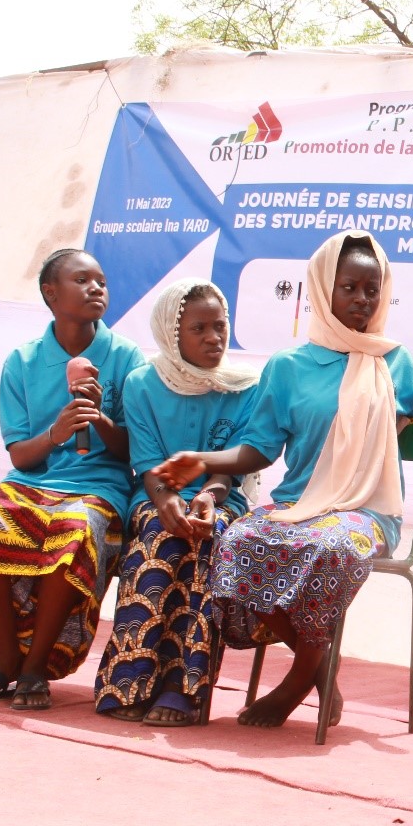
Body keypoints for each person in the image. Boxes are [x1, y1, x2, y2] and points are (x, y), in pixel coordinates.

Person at [153, 230, 413, 728]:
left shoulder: (393, 360)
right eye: (349, 287)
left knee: (334, 547)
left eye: (372, 290)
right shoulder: (287, 367)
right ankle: (322, 674)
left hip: (366, 511)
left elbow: (409, 422)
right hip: (297, 505)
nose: (362, 300)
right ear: (323, 289)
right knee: (237, 541)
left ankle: (295, 683)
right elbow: (258, 450)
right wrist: (203, 460)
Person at [0, 248, 144, 712]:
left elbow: (134, 450)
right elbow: (21, 456)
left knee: (74, 532)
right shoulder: (22, 361)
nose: (96, 289)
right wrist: (56, 432)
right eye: (82, 280)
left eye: (101, 281)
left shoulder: (126, 356)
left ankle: (36, 667)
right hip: (33, 484)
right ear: (51, 293)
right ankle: (7, 660)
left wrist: (100, 419)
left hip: (98, 489)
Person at [93, 280, 260, 726]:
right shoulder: (142, 384)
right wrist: (166, 501)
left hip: (221, 498)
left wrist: (207, 497)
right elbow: (148, 463)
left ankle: (182, 690)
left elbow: (231, 469)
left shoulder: (245, 386)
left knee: (211, 539)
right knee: (156, 533)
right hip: (155, 494)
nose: (213, 338)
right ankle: (128, 681)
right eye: (199, 328)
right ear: (172, 333)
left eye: (220, 326)